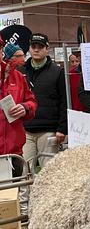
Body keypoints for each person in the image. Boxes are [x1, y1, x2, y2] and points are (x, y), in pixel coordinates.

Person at [20, 33, 67, 169]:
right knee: (24, 172)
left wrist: (61, 129)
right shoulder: (20, 71)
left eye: (40, 47)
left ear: (47, 49)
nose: (36, 49)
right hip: (25, 130)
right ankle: (25, 192)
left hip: (48, 131)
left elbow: (64, 101)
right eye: (33, 46)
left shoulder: (57, 72)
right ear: (29, 49)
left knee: (48, 172)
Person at [0, 42, 37, 177]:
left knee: (12, 196)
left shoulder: (18, 77)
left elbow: (31, 101)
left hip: (13, 153)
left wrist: (25, 107)